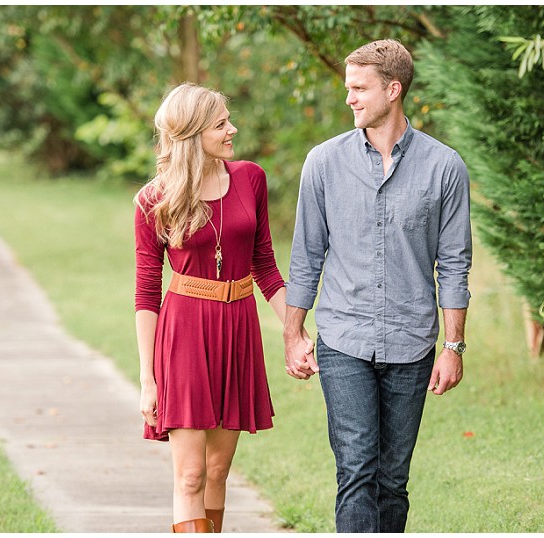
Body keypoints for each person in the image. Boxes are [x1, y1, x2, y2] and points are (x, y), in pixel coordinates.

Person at [283, 39, 472, 532]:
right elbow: (306, 255)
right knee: (357, 469)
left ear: (393, 89)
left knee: (392, 479)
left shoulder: (444, 167)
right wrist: (293, 333)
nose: (348, 98)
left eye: (358, 88)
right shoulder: (323, 164)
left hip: (412, 345)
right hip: (343, 340)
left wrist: (452, 346)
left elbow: (453, 264)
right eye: (348, 87)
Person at [134, 83, 310, 533]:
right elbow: (146, 291)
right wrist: (148, 378)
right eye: (220, 124)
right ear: (193, 133)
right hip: (186, 334)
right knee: (190, 473)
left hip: (238, 328)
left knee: (217, 471)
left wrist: (297, 332)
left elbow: (266, 266)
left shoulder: (251, 178)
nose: (233, 129)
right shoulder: (155, 199)